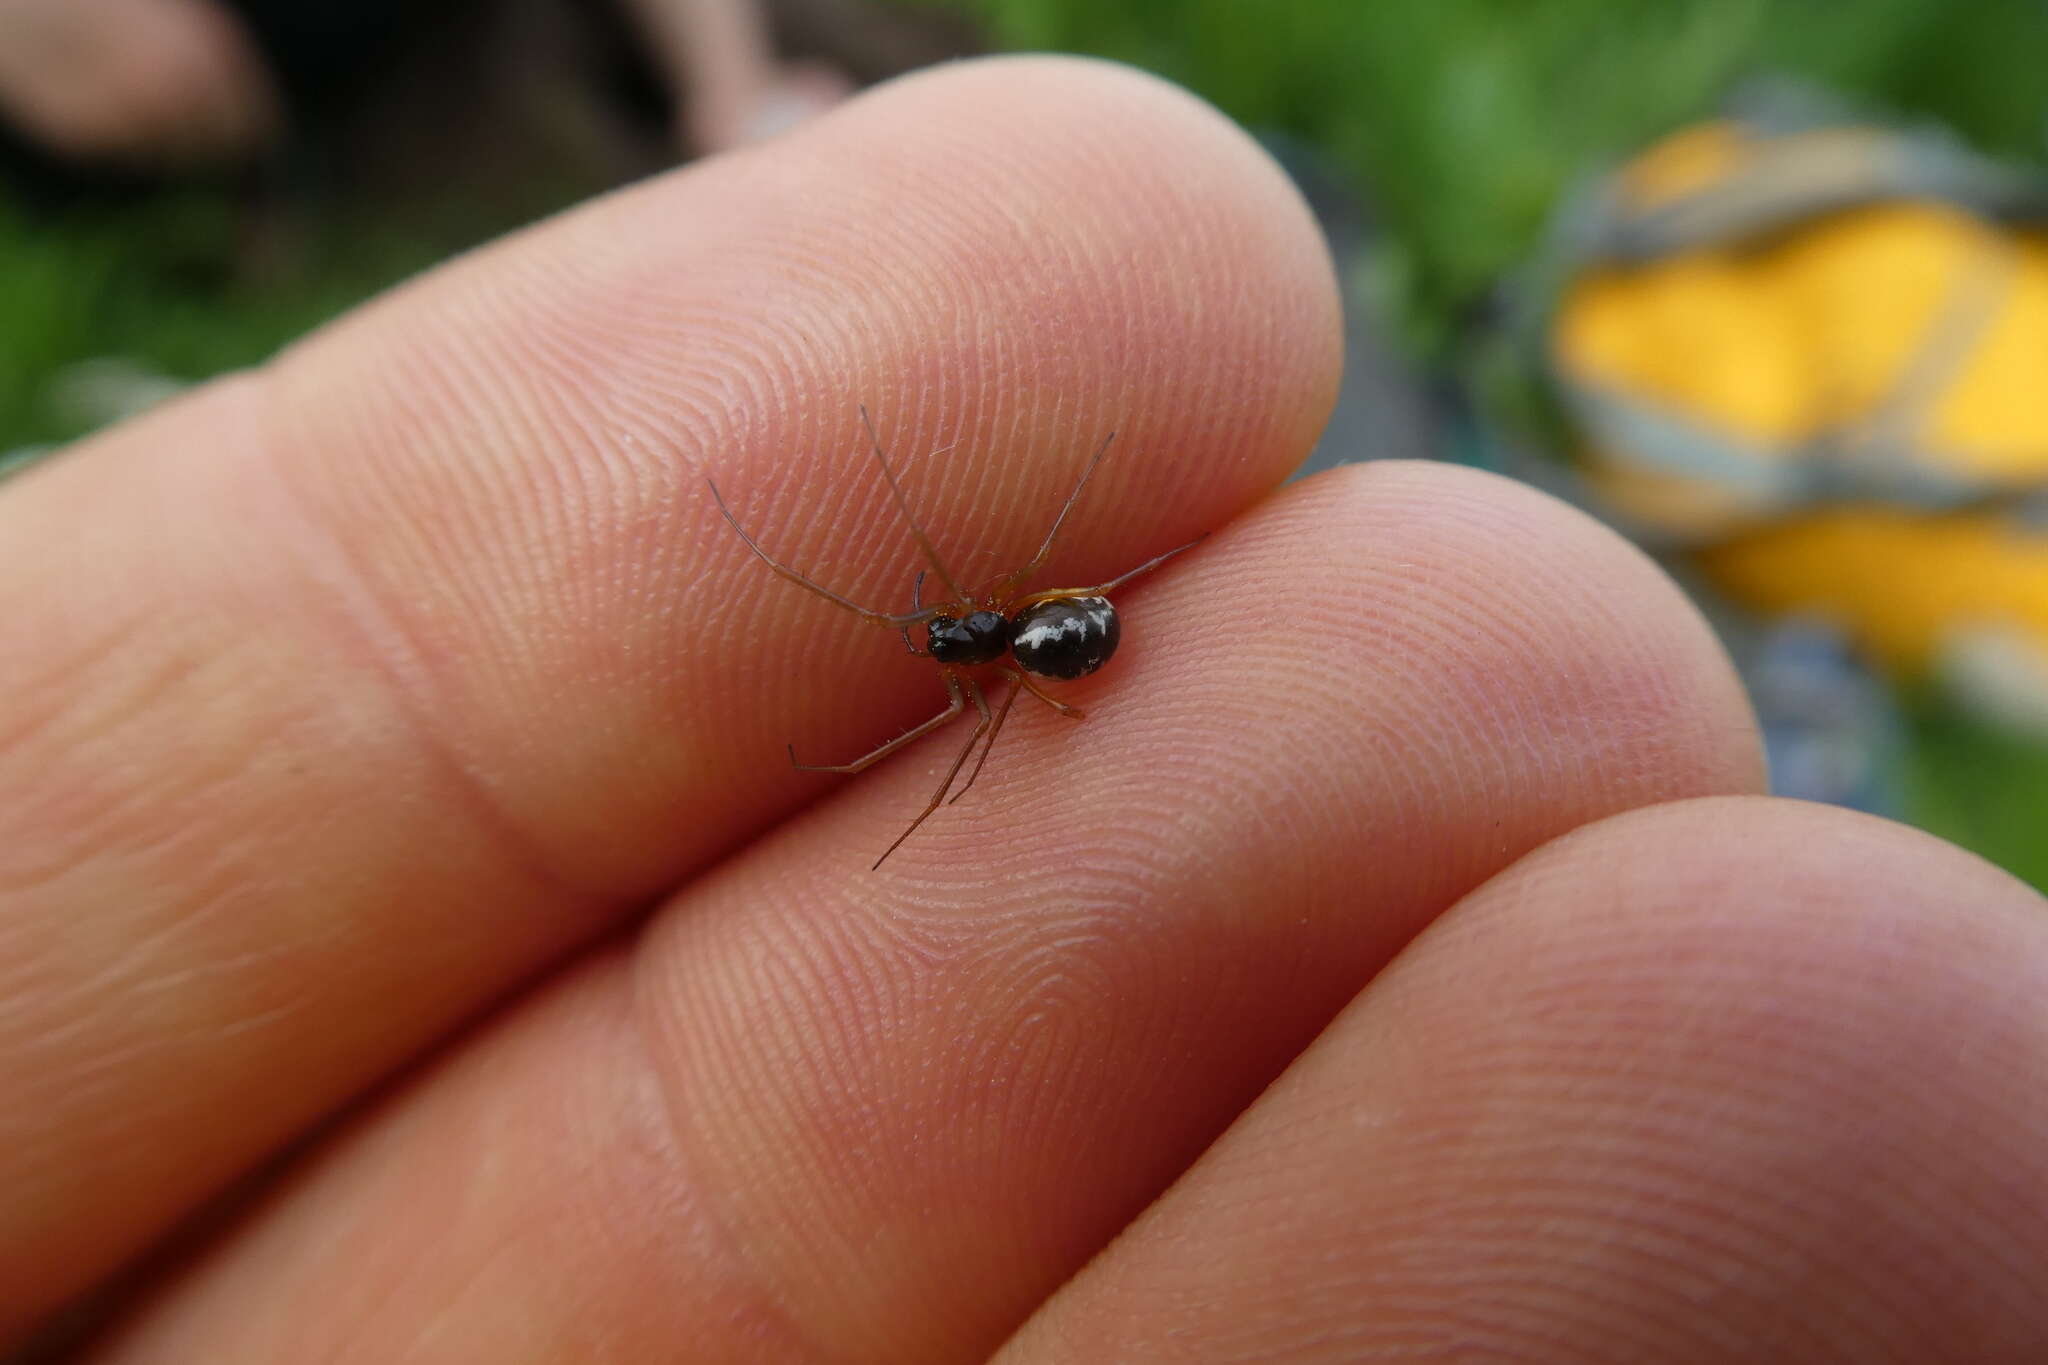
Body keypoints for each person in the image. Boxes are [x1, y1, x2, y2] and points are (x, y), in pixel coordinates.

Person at [3, 56, 2044, 1360]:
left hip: (1070, 638)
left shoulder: (1022, 635)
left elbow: (1055, 607)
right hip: (1055, 643)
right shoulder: (997, 647)